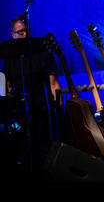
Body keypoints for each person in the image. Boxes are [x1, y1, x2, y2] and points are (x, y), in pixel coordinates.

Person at [2, 15, 62, 171]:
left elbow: (54, 83)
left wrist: (58, 110)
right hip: (20, 110)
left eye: (27, 31)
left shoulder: (42, 52)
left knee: (45, 147)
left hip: (42, 106)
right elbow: (7, 86)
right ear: (12, 34)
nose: (25, 35)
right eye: (20, 32)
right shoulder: (8, 59)